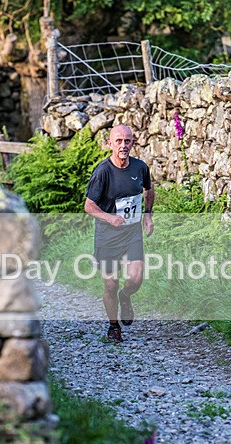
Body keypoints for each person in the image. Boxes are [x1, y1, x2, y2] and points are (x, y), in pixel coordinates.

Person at [84, 124, 154, 342]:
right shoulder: (103, 171)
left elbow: (149, 190)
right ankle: (114, 326)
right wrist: (109, 217)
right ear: (110, 144)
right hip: (108, 235)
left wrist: (148, 215)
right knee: (110, 284)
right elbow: (89, 206)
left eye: (127, 141)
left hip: (132, 232)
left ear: (133, 142)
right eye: (119, 141)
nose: (123, 145)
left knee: (136, 278)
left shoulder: (140, 167)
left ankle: (126, 297)